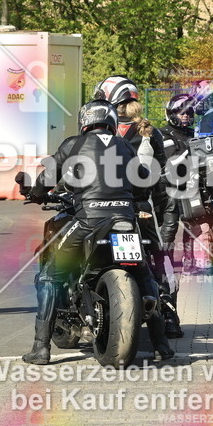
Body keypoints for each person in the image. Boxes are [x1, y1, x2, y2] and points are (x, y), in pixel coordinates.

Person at [21, 100, 174, 365]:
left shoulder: (73, 145)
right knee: (145, 274)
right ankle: (162, 345)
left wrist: (35, 193)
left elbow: (47, 178)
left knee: (50, 276)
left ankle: (40, 347)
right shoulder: (126, 145)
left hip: (88, 221)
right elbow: (142, 185)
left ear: (85, 121)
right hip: (125, 221)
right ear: (112, 121)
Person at [92, 76, 182, 337]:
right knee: (159, 259)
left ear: (108, 101)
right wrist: (166, 215)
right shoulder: (151, 132)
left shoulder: (97, 131)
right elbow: (162, 179)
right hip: (140, 210)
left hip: (100, 208)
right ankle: (168, 316)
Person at [158, 93, 198, 336]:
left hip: (193, 194)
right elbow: (167, 164)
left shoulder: (195, 137)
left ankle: (196, 261)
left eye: (189, 112)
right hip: (169, 197)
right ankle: (168, 312)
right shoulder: (161, 135)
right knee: (165, 247)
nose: (186, 115)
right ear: (171, 113)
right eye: (182, 111)